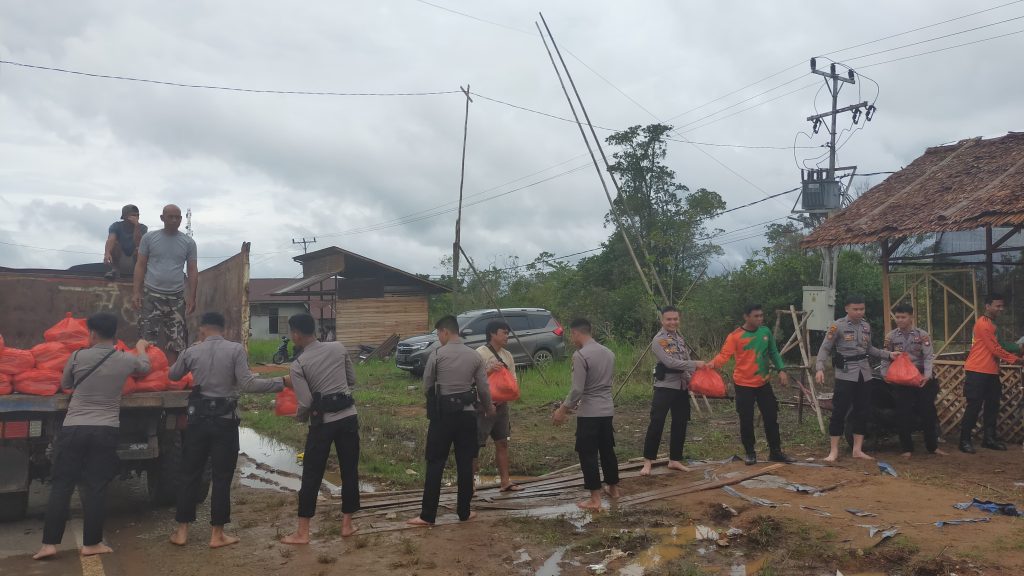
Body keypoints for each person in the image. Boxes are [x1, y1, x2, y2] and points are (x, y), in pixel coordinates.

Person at [33, 313, 151, 560]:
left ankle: (49, 545)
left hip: (73, 428)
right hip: (105, 429)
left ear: (93, 334)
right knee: (96, 486)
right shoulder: (125, 360)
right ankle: (91, 544)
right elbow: (145, 368)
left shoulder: (77, 356)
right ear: (114, 334)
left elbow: (66, 383)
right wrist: (141, 348)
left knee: (62, 484)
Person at [168, 312, 287, 549]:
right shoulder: (235, 350)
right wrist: (280, 383)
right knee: (222, 477)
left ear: (202, 329)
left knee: (189, 473)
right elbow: (248, 384)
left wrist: (188, 356)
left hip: (198, 421)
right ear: (223, 329)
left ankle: (182, 532)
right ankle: (217, 535)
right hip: (225, 421)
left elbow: (173, 375)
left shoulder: (192, 351)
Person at [281, 313, 361, 544]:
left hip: (322, 423)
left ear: (296, 334)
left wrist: (298, 417)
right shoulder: (338, 347)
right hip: (348, 417)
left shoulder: (298, 365)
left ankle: (302, 532)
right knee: (349, 470)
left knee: (312, 474)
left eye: (291, 332)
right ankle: (347, 525)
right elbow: (352, 379)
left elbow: (306, 402)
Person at [408, 315, 493, 527]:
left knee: (435, 463)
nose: (439, 338)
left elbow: (427, 385)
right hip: (467, 416)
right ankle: (464, 512)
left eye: (439, 333)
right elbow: (483, 388)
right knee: (465, 463)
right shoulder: (474, 356)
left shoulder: (437, 355)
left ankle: (427, 516)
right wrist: (489, 408)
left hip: (442, 417)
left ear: (445, 331)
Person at [815, 294, 898, 462]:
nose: (859, 312)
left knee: (862, 410)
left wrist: (889, 355)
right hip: (845, 374)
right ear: (847, 309)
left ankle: (857, 450)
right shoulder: (837, 326)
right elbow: (825, 348)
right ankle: (833, 451)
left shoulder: (866, 326)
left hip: (864, 373)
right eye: (856, 309)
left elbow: (870, 349)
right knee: (839, 411)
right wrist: (819, 368)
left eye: (862, 309)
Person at [709, 304, 794, 465]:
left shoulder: (765, 332)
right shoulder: (735, 336)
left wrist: (781, 370)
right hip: (743, 384)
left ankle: (775, 452)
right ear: (746, 317)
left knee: (771, 417)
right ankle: (750, 452)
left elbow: (773, 352)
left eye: (761, 315)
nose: (760, 319)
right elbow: (723, 356)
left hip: (763, 383)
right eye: (756, 316)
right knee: (746, 419)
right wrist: (710, 365)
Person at [552, 318, 620, 510]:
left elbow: (577, 390)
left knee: (588, 453)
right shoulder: (609, 353)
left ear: (576, 333)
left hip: (589, 412)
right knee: (607, 450)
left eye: (571, 335)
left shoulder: (581, 355)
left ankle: (595, 499)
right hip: (607, 410)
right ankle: (613, 489)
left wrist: (562, 409)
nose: (571, 339)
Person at [640, 306, 704, 476]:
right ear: (662, 320)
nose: (672, 322)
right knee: (657, 422)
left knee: (680, 422)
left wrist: (692, 380)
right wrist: (695, 364)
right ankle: (648, 461)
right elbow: (670, 362)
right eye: (669, 319)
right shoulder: (659, 340)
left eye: (675, 319)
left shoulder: (679, 339)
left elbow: (685, 360)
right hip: (665, 386)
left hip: (681, 386)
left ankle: (675, 459)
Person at [133, 204, 198, 366]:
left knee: (176, 341)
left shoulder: (188, 242)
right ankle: (147, 372)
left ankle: (173, 373)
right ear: (162, 218)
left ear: (181, 219)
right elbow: (140, 265)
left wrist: (192, 297)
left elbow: (192, 269)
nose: (174, 220)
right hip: (151, 295)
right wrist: (136, 292)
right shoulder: (149, 238)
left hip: (176, 297)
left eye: (177, 217)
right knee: (146, 338)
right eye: (170, 217)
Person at [959, 293, 1022, 454]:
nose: (1001, 309)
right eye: (997, 306)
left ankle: (989, 439)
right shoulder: (983, 323)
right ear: (987, 306)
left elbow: (1000, 344)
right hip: (977, 370)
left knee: (992, 405)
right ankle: (964, 440)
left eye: (1002, 306)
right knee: (974, 406)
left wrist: (1017, 348)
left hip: (991, 370)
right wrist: (1016, 359)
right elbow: (995, 348)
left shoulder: (993, 325)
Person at [880, 303, 943, 459]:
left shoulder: (922, 335)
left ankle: (933, 446)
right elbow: (886, 356)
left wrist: (927, 375)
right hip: (901, 379)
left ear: (911, 317)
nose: (899, 320)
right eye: (897, 317)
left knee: (928, 412)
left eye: (903, 317)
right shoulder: (891, 336)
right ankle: (906, 448)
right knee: (903, 412)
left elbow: (928, 357)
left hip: (920, 377)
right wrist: (884, 374)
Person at [474, 321, 522, 492]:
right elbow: (472, 379)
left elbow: (513, 379)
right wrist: (488, 370)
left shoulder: (507, 355)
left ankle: (505, 481)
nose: (507, 336)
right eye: (504, 333)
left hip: (502, 406)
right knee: (475, 445)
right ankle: (469, 485)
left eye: (508, 333)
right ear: (492, 334)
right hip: (483, 406)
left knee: (502, 442)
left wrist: (508, 394)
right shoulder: (479, 353)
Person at [103, 204, 147, 281]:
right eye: (133, 215)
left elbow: (139, 243)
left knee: (140, 249)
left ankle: (139, 273)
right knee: (115, 244)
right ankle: (115, 270)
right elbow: (111, 239)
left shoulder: (143, 227)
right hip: (120, 258)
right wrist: (107, 253)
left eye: (137, 215)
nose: (136, 217)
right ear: (125, 216)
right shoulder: (116, 226)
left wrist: (136, 226)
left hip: (136, 259)